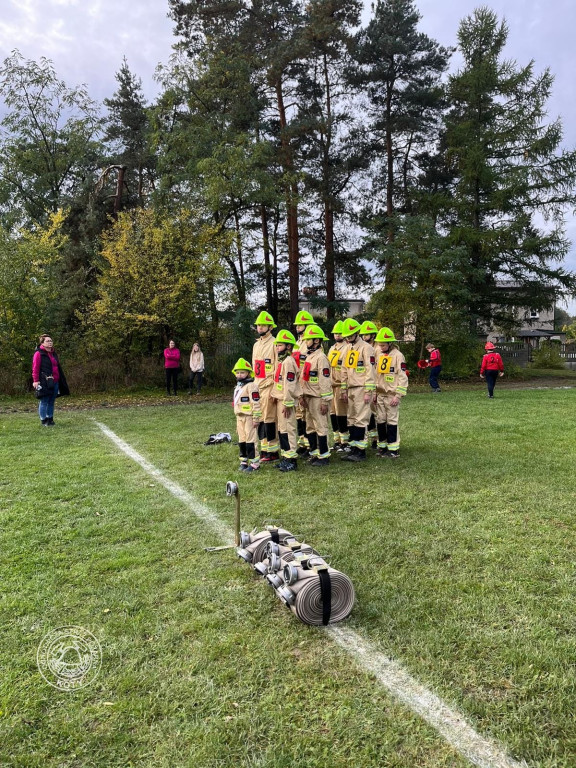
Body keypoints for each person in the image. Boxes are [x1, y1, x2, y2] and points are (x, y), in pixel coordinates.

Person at [339, 319, 376, 462]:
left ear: (356, 333)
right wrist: (343, 388)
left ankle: (361, 451)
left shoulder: (367, 348)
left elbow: (370, 370)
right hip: (351, 388)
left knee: (361, 418)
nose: (347, 339)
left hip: (361, 387)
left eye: (349, 336)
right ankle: (354, 448)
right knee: (352, 418)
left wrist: (368, 391)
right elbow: (343, 369)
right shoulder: (348, 348)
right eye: (346, 337)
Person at [299, 324, 333, 467]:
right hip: (308, 397)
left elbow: (325, 381)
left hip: (318, 398)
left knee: (321, 426)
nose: (305, 342)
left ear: (316, 341)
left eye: (308, 340)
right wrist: (301, 396)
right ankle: (314, 453)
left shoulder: (321, 358)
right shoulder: (309, 356)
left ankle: (324, 456)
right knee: (310, 427)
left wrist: (325, 401)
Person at [374, 327, 408, 458]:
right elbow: (377, 375)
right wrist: (375, 393)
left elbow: (402, 376)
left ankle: (393, 448)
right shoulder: (381, 355)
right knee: (381, 421)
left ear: (390, 343)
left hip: (392, 394)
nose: (380, 347)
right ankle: (382, 446)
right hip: (380, 394)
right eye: (379, 345)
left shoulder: (398, 356)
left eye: (383, 345)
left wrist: (398, 395)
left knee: (392, 421)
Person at [271, 330, 301, 472]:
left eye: (280, 345)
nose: (277, 348)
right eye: (277, 345)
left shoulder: (288, 362)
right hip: (280, 400)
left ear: (288, 347)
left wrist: (288, 403)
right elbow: (279, 382)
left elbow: (289, 385)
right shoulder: (282, 361)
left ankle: (292, 460)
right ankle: (285, 457)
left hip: (285, 402)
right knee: (282, 430)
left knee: (288, 429)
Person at [251, 311, 279, 461]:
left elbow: (277, 368)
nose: (260, 327)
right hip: (258, 386)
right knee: (260, 419)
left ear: (270, 327)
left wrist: (274, 390)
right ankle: (264, 449)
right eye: (258, 325)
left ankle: (273, 451)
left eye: (262, 325)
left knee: (270, 419)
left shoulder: (275, 343)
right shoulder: (256, 345)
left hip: (269, 386)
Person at [32, 334, 69, 426]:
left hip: (55, 381)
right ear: (42, 343)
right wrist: (36, 380)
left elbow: (57, 367)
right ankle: (43, 420)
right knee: (44, 400)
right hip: (44, 381)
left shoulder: (53, 353)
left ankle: (50, 419)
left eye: (51, 341)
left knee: (52, 400)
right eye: (47, 341)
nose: (50, 342)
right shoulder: (38, 353)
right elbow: (35, 368)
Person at [232, 358, 262, 472]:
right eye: (238, 372)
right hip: (239, 417)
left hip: (249, 417)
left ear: (248, 373)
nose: (239, 374)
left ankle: (255, 463)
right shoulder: (239, 386)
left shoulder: (252, 386)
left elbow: (256, 403)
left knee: (251, 440)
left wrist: (256, 418)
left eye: (242, 372)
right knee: (242, 440)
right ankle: (244, 460)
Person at [293, 310, 315, 454]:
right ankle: (302, 443)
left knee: (307, 414)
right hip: (297, 381)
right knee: (299, 415)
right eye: (297, 326)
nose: (297, 328)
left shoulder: (311, 342)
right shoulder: (298, 342)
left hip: (306, 382)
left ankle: (309, 444)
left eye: (300, 325)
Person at [328, 320, 349, 451]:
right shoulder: (332, 348)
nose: (337, 335)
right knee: (333, 414)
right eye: (335, 333)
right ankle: (337, 440)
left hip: (341, 385)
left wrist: (344, 387)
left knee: (342, 414)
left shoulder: (347, 348)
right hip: (331, 386)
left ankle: (345, 441)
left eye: (340, 333)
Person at [359, 320, 379, 447]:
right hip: (367, 384)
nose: (364, 337)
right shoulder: (363, 348)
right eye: (363, 335)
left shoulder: (378, 348)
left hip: (376, 384)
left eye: (366, 335)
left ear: (373, 335)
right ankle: (373, 437)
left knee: (377, 414)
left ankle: (378, 438)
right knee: (368, 414)